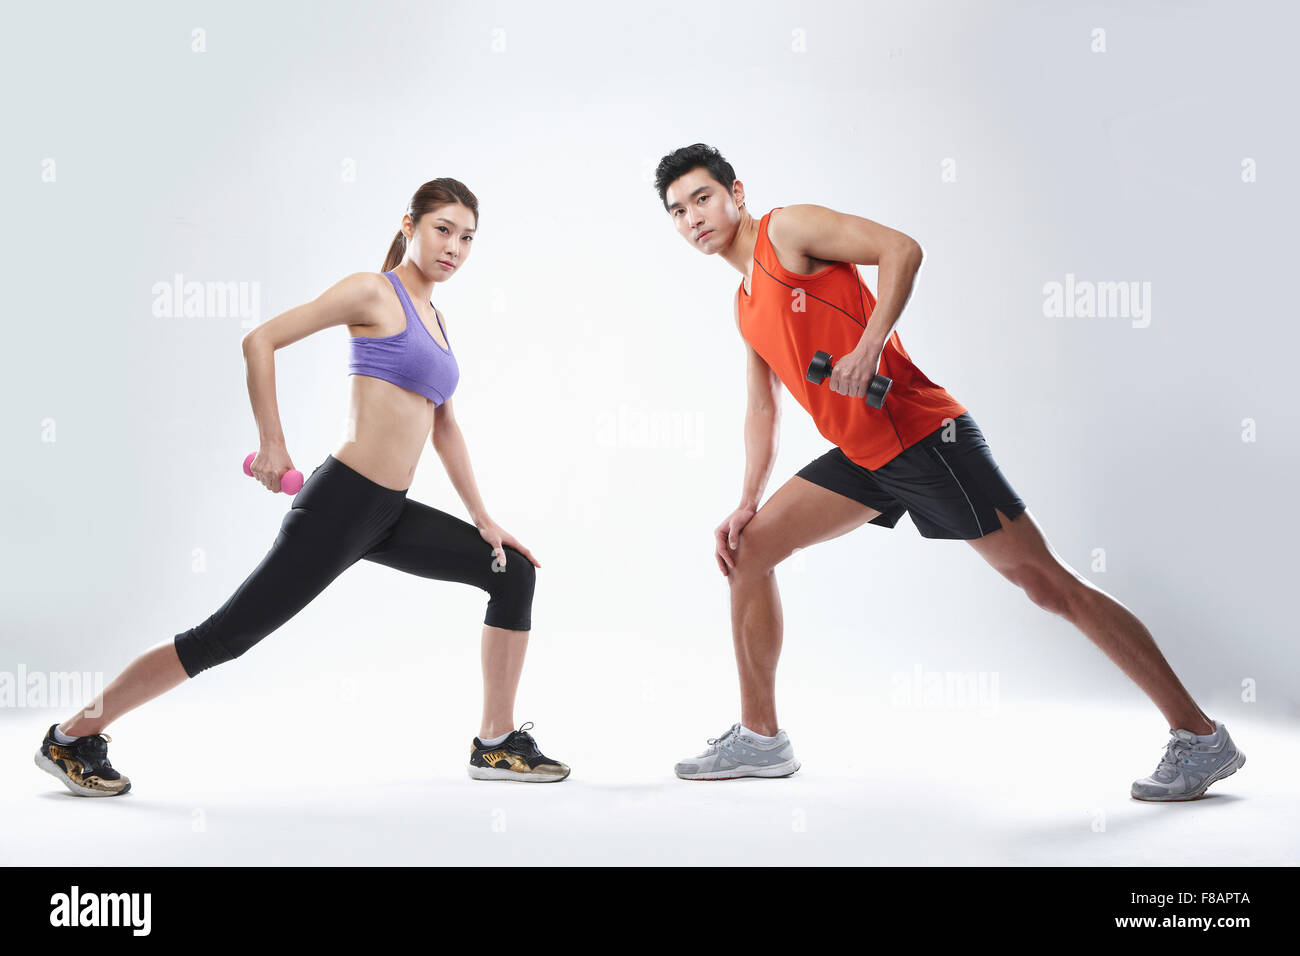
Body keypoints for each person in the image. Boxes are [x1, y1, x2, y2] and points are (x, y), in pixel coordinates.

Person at [655, 144, 1245, 800]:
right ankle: (762, 739)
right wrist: (745, 501)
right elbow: (761, 407)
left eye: (702, 198)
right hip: (864, 456)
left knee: (1048, 585)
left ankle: (1200, 737)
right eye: (678, 212)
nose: (693, 218)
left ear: (736, 191)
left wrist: (868, 344)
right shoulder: (744, 302)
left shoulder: (787, 231)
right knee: (751, 549)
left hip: (923, 439)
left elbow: (902, 248)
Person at [35, 178, 570, 795]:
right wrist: (273, 444)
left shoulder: (437, 317)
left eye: (468, 237)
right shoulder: (374, 291)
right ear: (409, 226)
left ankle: (496, 743)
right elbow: (259, 340)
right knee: (223, 638)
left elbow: (443, 422)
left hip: (387, 512)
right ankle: (70, 737)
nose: (454, 246)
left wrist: (483, 518)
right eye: (442, 229)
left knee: (510, 572)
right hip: (341, 505)